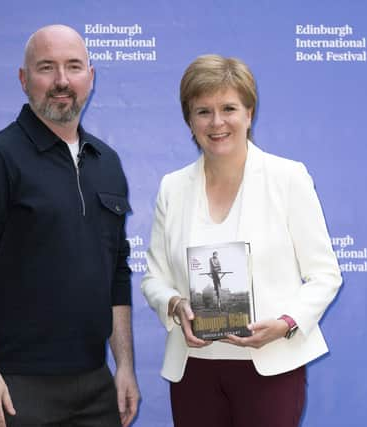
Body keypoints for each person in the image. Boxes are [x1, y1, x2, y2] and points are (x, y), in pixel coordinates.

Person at [0, 24, 139, 427]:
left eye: (73, 67)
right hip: (16, 385)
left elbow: (116, 272)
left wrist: (124, 367)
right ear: (23, 79)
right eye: (46, 68)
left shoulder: (108, 163)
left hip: (94, 380)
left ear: (91, 76)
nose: (62, 81)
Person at [141, 54, 342, 427]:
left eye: (229, 108)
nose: (217, 122)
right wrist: (174, 303)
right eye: (203, 111)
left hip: (270, 366)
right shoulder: (172, 187)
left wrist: (286, 322)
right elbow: (154, 277)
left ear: (249, 114)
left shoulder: (288, 178)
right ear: (189, 120)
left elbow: (325, 275)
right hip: (194, 369)